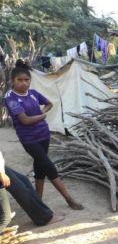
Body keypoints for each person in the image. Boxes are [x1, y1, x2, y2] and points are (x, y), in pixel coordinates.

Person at [4, 60, 83, 210]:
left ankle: (38, 199)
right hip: (29, 139)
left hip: (43, 134)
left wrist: (42, 112)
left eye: (27, 80)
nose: (24, 83)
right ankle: (69, 199)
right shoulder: (10, 97)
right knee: (48, 166)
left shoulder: (33, 93)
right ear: (12, 81)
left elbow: (49, 103)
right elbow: (25, 120)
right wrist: (41, 117)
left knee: (40, 166)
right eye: (20, 80)